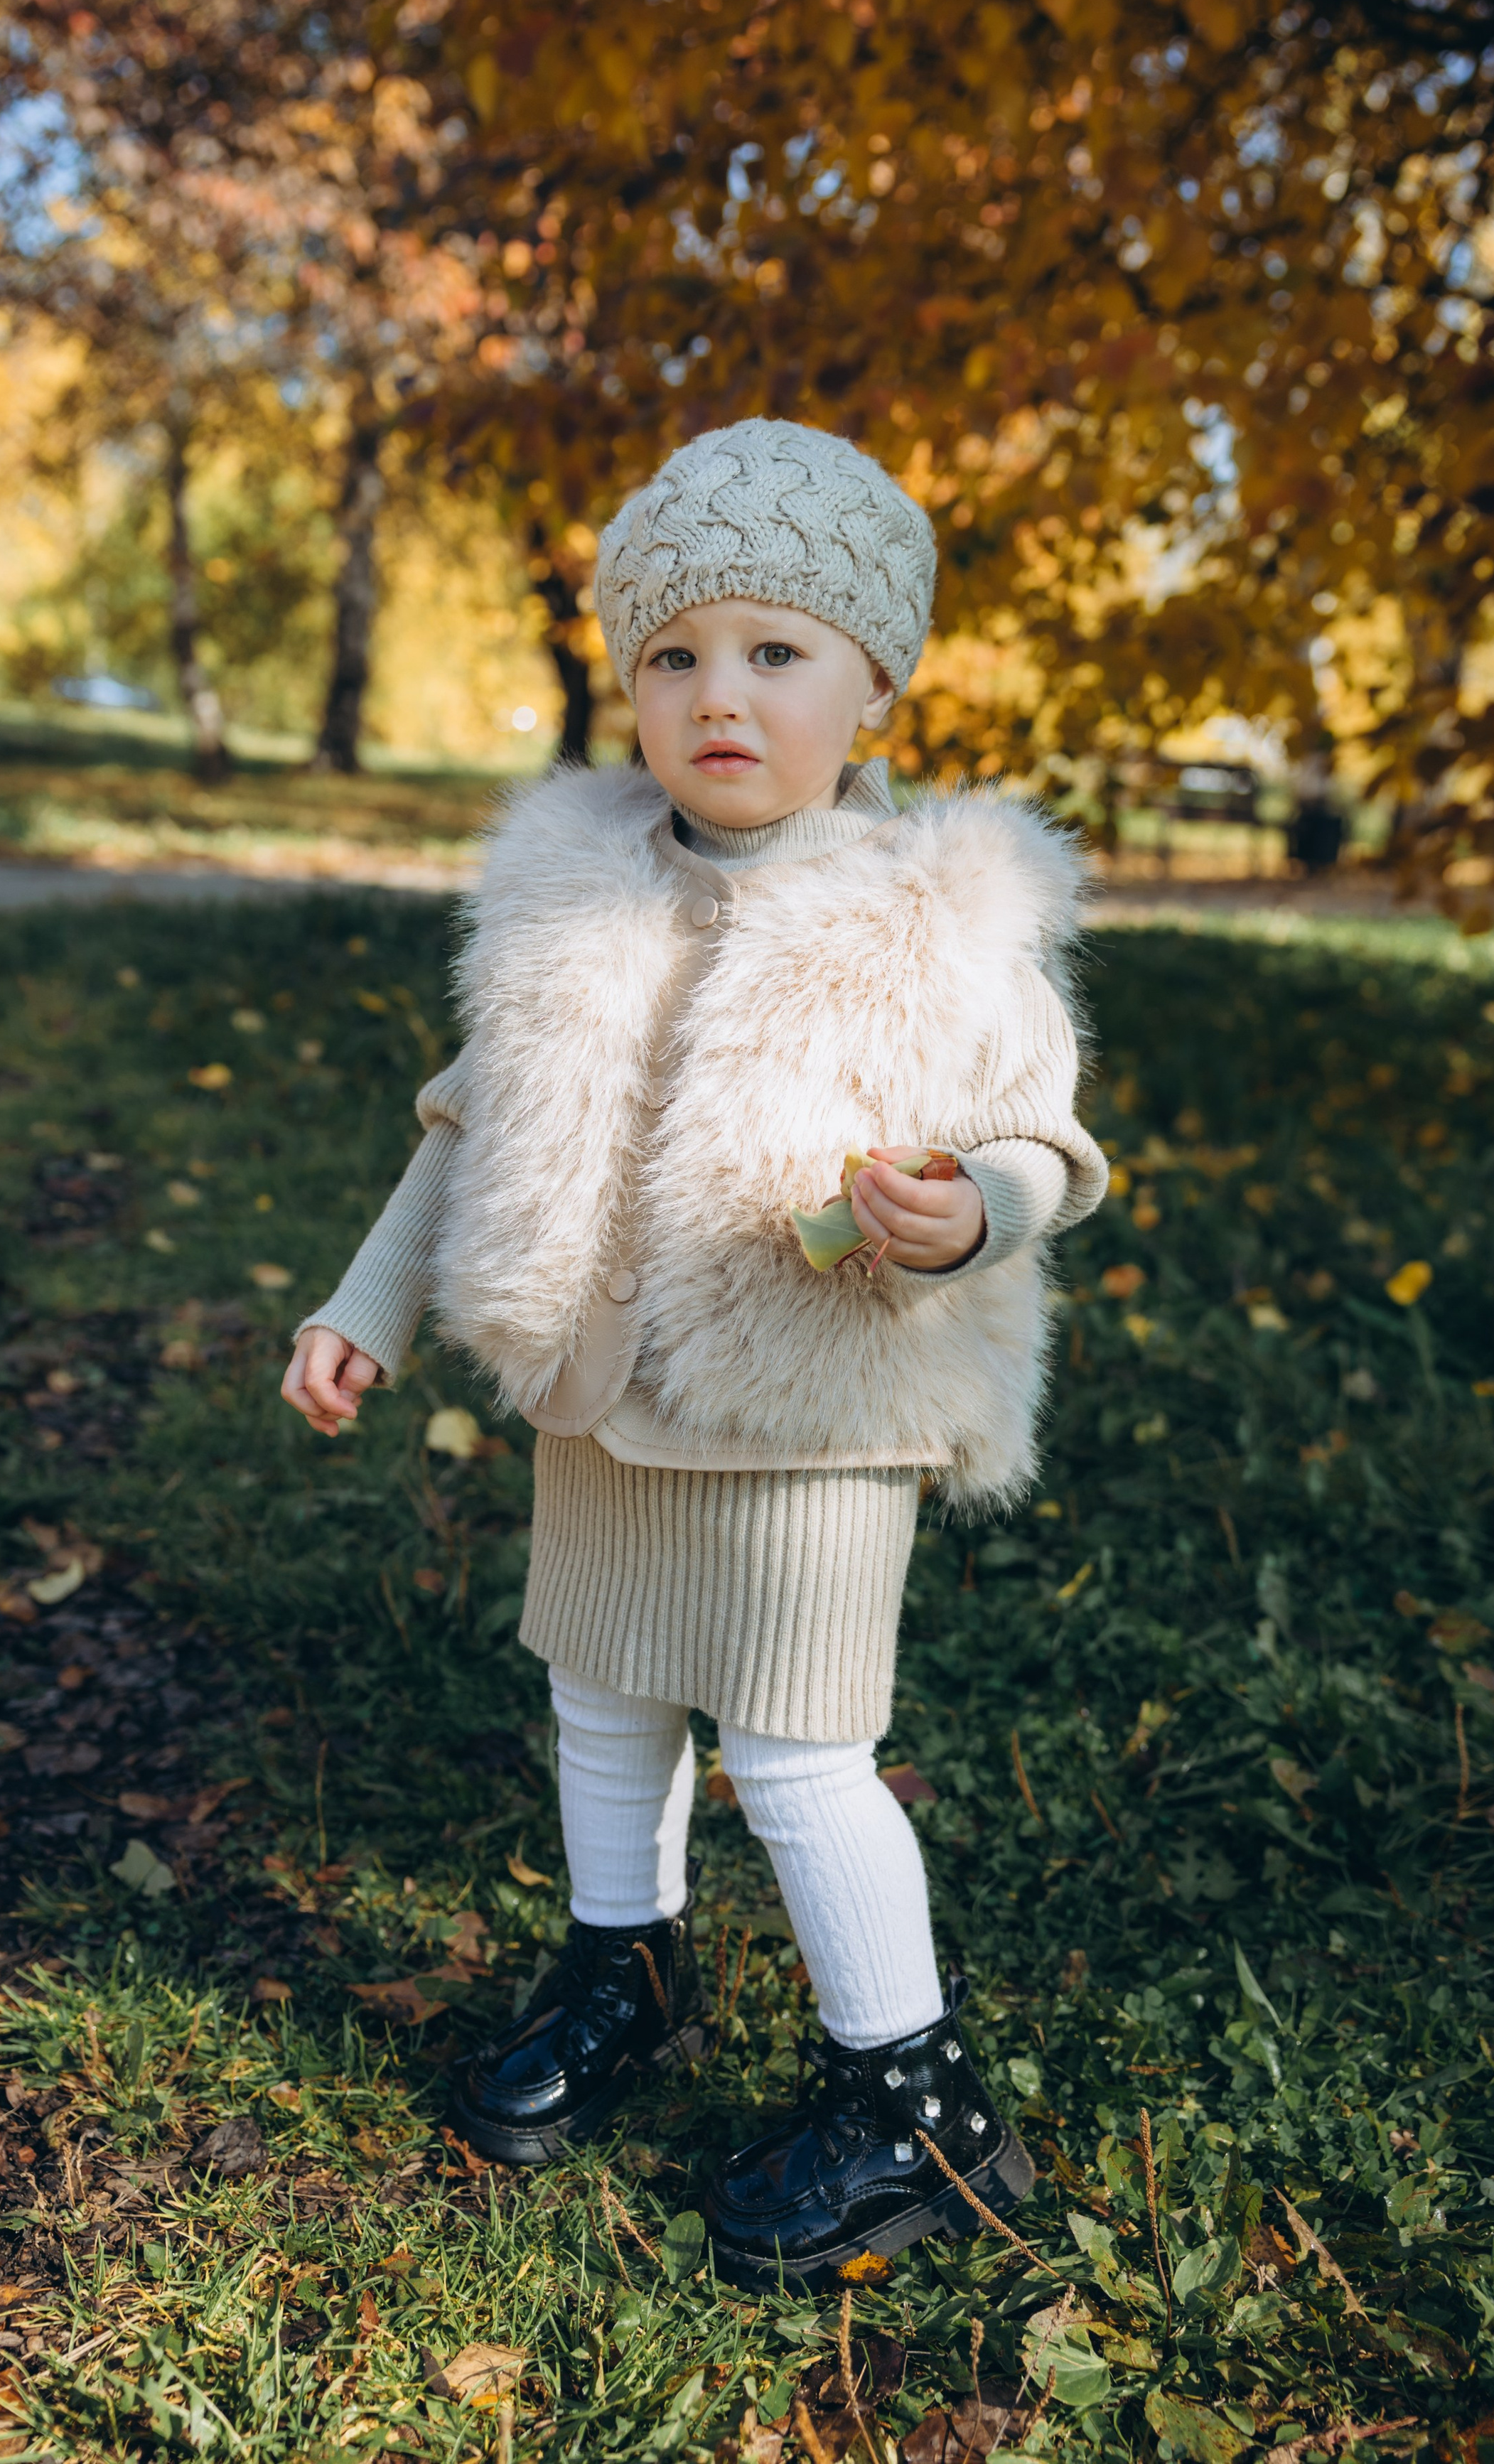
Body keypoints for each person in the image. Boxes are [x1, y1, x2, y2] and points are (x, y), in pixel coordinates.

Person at [281, 419, 1108, 2288]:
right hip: (608, 1395)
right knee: (601, 1696)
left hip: (814, 1408)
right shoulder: (569, 893)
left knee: (802, 1757)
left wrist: (970, 1207)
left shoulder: (942, 917)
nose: (718, 695)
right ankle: (621, 1960)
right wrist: (363, 1306)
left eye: (775, 652)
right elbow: (464, 1125)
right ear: (628, 680)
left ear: (875, 682)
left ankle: (914, 2096)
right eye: (675, 654)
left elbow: (1039, 1139)